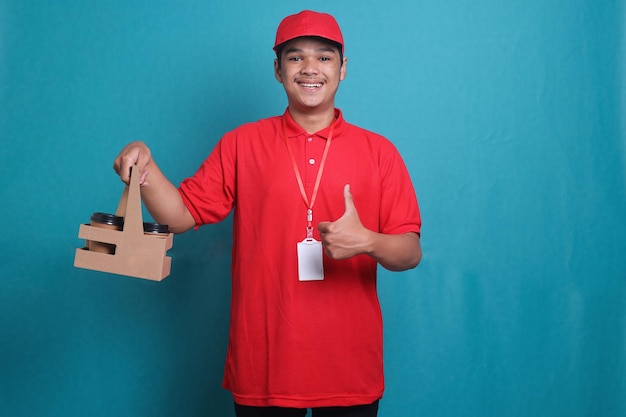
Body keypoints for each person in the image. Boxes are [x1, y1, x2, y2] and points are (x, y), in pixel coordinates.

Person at [113, 10, 422, 417]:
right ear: (277, 70)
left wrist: (369, 241)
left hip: (349, 368)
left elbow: (410, 252)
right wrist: (146, 171)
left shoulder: (380, 153)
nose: (310, 68)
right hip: (265, 367)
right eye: (295, 57)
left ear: (343, 69)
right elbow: (182, 215)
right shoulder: (241, 144)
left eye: (324, 57)